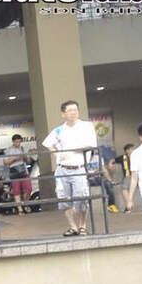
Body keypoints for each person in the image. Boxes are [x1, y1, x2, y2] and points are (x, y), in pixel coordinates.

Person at [41, 99, 98, 236]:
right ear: (63, 114)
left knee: (82, 197)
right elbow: (48, 143)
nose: (73, 113)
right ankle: (73, 227)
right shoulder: (59, 130)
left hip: (79, 167)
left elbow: (90, 144)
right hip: (62, 168)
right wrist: (57, 154)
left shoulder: (86, 126)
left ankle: (83, 225)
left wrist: (71, 150)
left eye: (75, 110)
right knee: (64, 200)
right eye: (70, 110)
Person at [2, 134, 32, 214]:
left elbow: (29, 161)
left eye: (19, 142)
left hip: (24, 171)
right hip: (14, 172)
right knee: (16, 191)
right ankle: (20, 209)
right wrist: (15, 158)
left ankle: (25, 203)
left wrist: (25, 157)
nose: (18, 144)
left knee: (29, 189)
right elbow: (5, 162)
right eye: (16, 142)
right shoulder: (8, 150)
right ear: (13, 142)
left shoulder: (23, 149)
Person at [119, 143, 135, 212]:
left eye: (133, 149)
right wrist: (110, 163)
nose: (133, 150)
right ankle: (129, 203)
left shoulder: (137, 156)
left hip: (138, 175)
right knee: (124, 188)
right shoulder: (123, 157)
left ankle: (129, 204)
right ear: (127, 151)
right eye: (131, 149)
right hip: (128, 176)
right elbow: (113, 160)